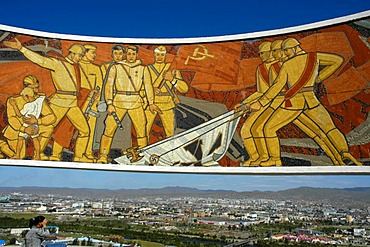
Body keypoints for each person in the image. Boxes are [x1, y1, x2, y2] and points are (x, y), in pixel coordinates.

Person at [249, 37, 362, 166]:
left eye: (286, 51)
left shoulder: (287, 65)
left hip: (293, 104)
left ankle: (275, 159)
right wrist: (319, 78)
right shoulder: (314, 57)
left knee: (268, 128)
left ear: (295, 48)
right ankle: (344, 152)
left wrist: (261, 102)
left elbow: (277, 86)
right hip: (311, 100)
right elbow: (338, 60)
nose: (284, 54)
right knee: (329, 129)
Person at [3, 38, 91, 162]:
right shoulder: (57, 63)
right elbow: (41, 60)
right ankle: (37, 154)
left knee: (85, 130)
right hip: (59, 102)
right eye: (79, 55)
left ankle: (79, 156)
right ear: (72, 53)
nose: (80, 58)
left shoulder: (75, 67)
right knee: (47, 127)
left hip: (72, 103)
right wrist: (21, 48)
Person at [97, 45, 161, 163]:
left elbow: (148, 86)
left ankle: (143, 155)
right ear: (125, 54)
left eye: (133, 54)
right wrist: (109, 103)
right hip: (118, 101)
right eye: (129, 54)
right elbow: (109, 85)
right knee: (109, 128)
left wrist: (151, 102)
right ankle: (103, 155)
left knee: (142, 128)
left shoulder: (143, 69)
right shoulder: (116, 67)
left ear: (136, 55)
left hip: (135, 101)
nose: (131, 56)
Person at [234, 41, 275, 166]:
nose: (261, 56)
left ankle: (271, 158)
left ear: (271, 52)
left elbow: (277, 90)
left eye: (263, 53)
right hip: (263, 102)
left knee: (260, 128)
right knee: (246, 130)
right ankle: (256, 157)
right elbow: (260, 91)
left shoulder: (280, 66)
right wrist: (244, 103)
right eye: (260, 53)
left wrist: (260, 103)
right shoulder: (261, 69)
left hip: (278, 103)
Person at [1, 75, 56, 160]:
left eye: (36, 88)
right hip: (16, 130)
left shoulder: (39, 101)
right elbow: (12, 119)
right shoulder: (13, 100)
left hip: (33, 127)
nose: (35, 91)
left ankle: (38, 154)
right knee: (20, 157)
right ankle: (1, 146)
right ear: (25, 88)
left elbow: (52, 117)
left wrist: (37, 121)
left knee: (49, 128)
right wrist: (24, 129)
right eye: (32, 88)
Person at [145, 45, 189, 143]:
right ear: (154, 55)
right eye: (158, 55)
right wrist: (151, 89)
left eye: (162, 55)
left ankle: (170, 154)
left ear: (165, 56)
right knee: (144, 132)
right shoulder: (147, 69)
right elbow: (139, 87)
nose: (160, 57)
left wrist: (172, 79)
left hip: (167, 103)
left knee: (170, 133)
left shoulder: (172, 68)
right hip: (150, 103)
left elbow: (184, 88)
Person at [9, 87, 45, 160]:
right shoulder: (39, 101)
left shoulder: (27, 105)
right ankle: (38, 156)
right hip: (35, 125)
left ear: (27, 96)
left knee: (20, 139)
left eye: (24, 97)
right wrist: (35, 94)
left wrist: (14, 105)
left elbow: (19, 115)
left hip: (27, 124)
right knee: (35, 140)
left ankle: (17, 155)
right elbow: (43, 95)